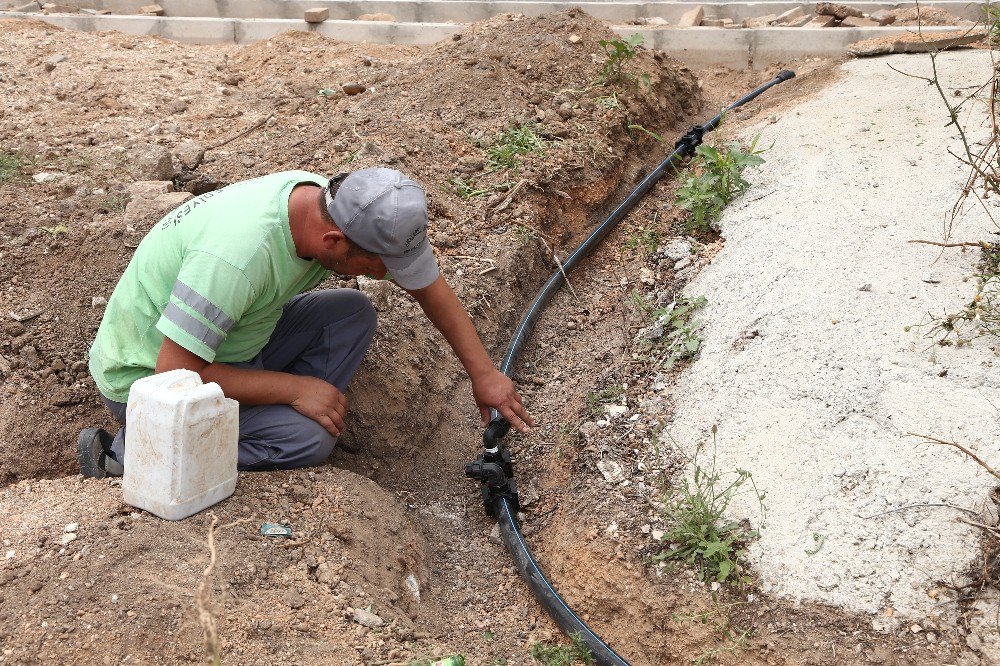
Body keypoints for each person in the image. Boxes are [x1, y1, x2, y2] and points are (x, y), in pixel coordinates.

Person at [78, 167, 533, 478]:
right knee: (308, 441)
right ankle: (133, 453)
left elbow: (428, 288)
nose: (388, 277)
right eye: (380, 268)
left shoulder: (331, 204)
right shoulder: (235, 259)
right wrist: (296, 390)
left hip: (230, 345)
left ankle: (258, 410)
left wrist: (484, 374)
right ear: (335, 241)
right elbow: (174, 375)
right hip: (147, 381)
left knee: (350, 315)